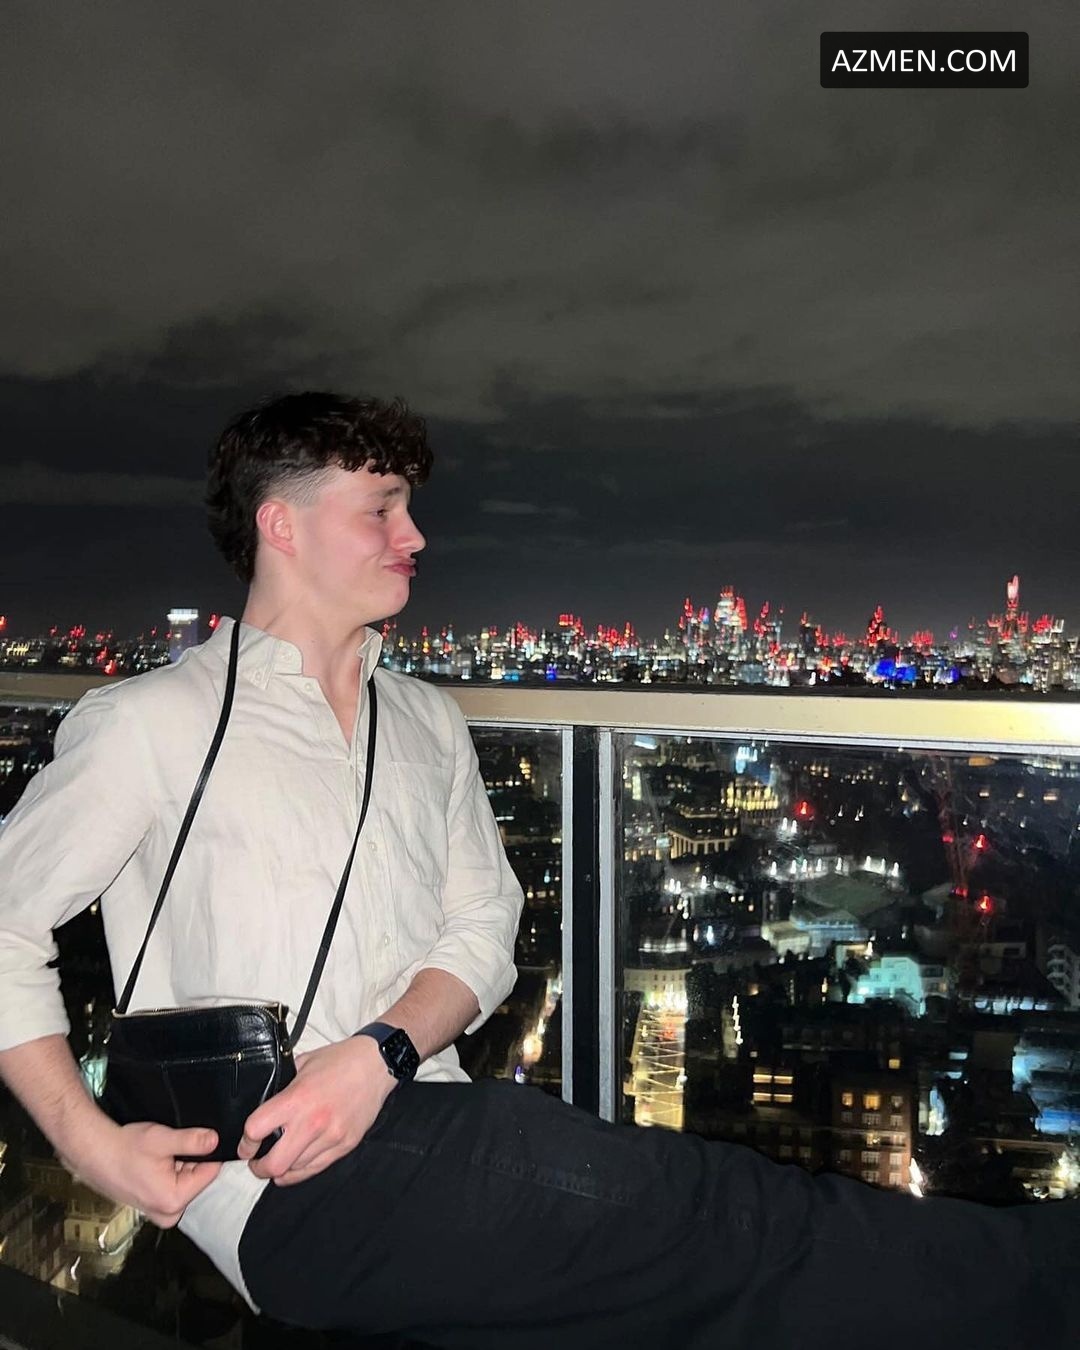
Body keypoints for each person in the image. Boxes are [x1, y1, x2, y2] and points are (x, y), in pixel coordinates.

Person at [0, 392, 1076, 1350]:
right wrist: (94, 1149)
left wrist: (378, 1054)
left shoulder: (423, 720)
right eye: (381, 509)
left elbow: (484, 928)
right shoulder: (153, 722)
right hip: (269, 1176)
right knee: (725, 1220)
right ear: (281, 525)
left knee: (681, 1266)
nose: (415, 535)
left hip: (417, 1115)